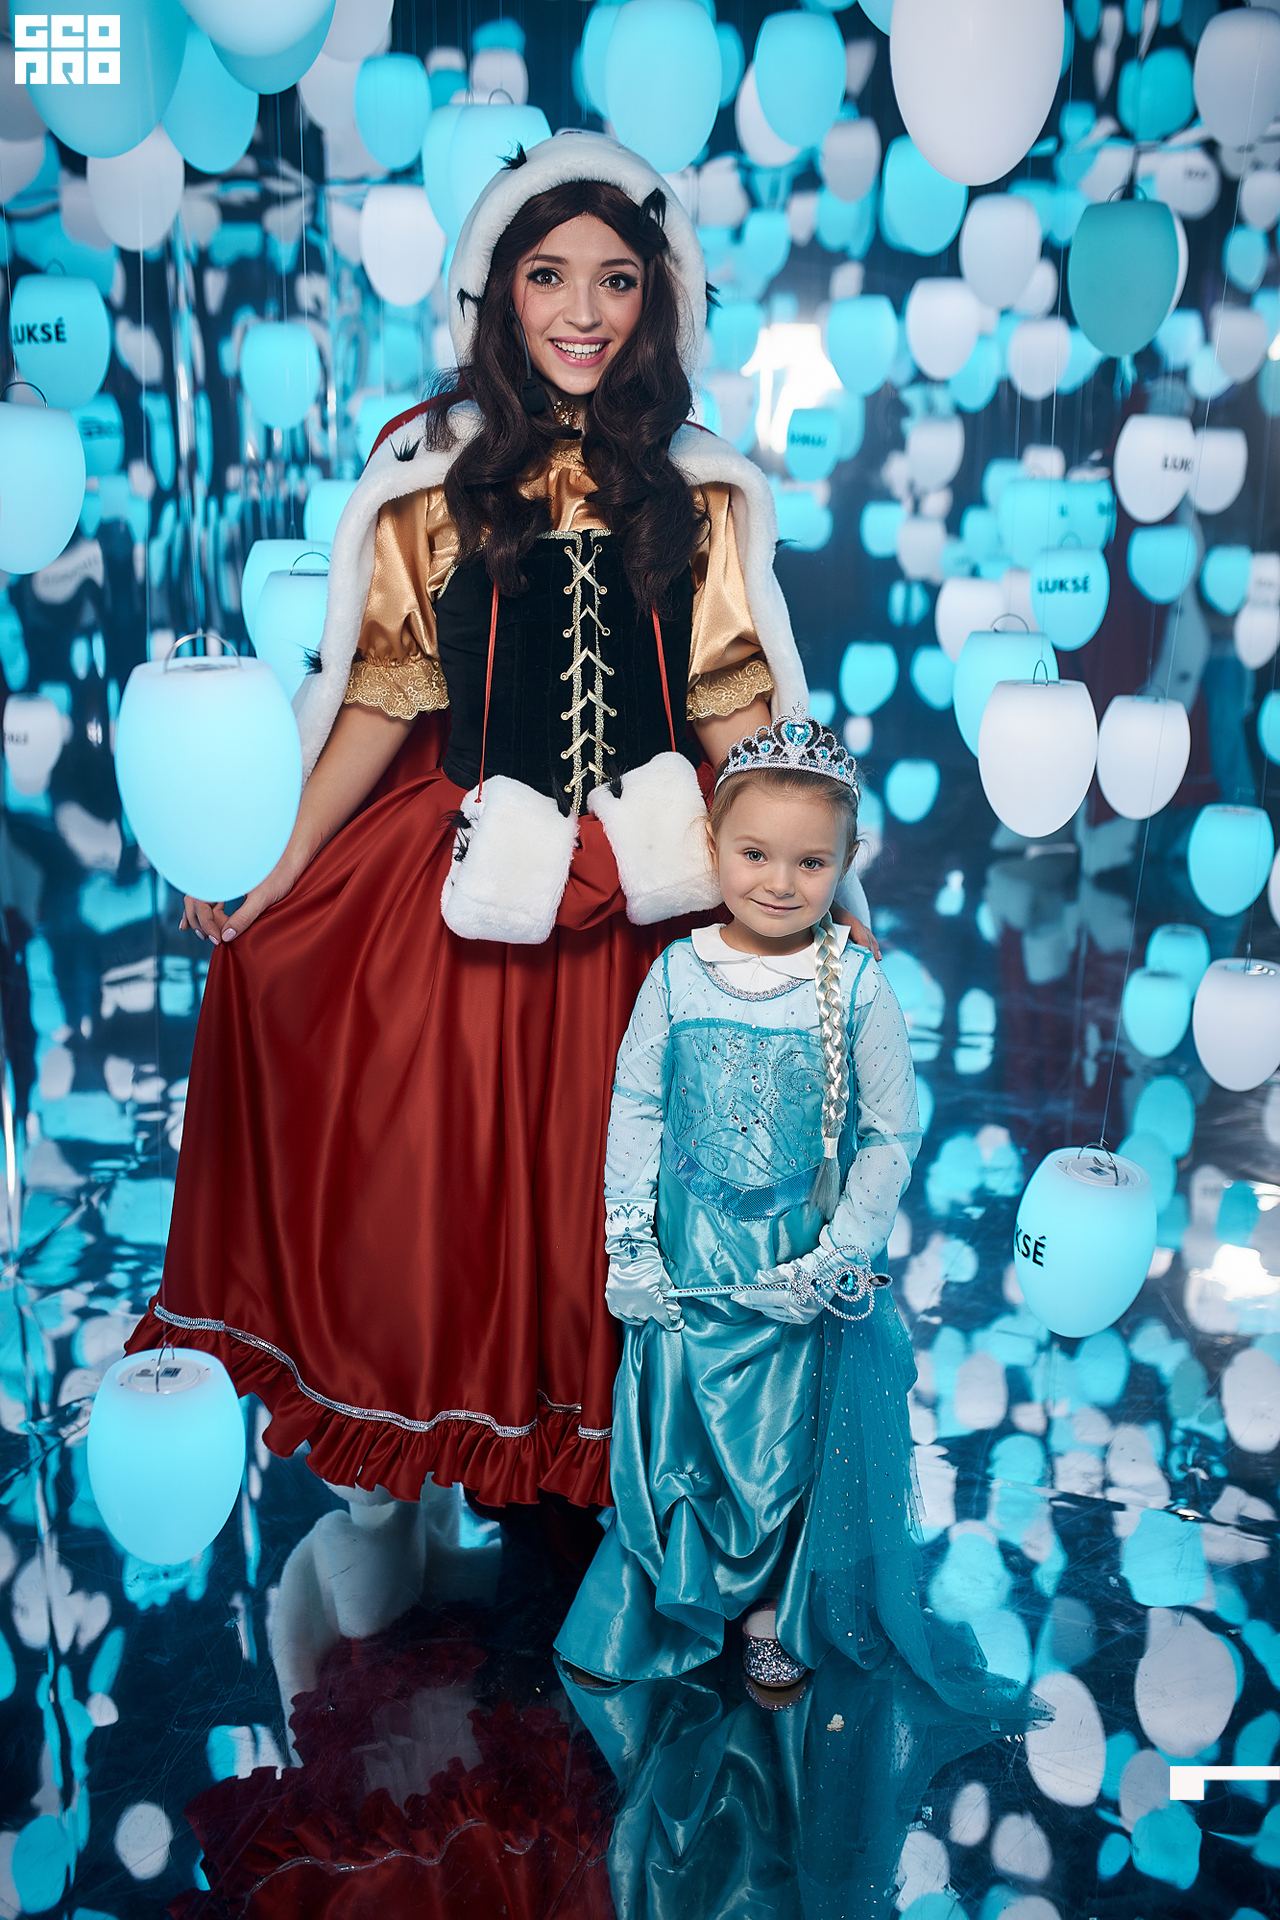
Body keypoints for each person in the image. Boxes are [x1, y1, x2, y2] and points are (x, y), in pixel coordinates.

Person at [126, 134, 872, 1511]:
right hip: (467, 872)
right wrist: (274, 869)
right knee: (452, 1176)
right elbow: (380, 695)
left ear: (657, 297)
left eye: (615, 280)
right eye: (548, 276)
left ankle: (620, 1461)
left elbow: (730, 701)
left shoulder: (701, 488)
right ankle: (486, 1435)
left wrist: (823, 887)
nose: (583, 312)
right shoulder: (429, 477)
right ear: (498, 292)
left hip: (650, 890)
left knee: (633, 1181)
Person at [556, 719, 1032, 1726]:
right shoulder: (676, 973)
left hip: (789, 1263)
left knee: (783, 1445)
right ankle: (654, 1599)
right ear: (714, 847)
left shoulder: (856, 985)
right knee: (675, 1428)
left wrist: (835, 1258)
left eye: (811, 862)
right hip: (689, 1258)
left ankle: (774, 1609)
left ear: (848, 860)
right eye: (755, 854)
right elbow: (635, 1107)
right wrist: (629, 1242)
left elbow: (889, 1134)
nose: (779, 882)